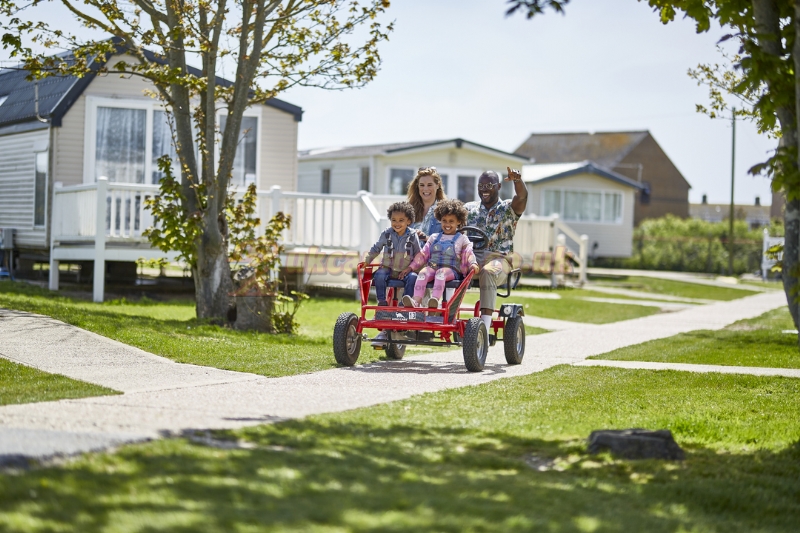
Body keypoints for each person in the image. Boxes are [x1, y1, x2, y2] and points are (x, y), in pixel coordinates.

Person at [464, 167, 528, 334]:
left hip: (500, 259)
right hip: (472, 257)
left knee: (489, 271)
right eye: (481, 186)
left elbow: (522, 197)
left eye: (489, 185)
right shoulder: (468, 209)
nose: (484, 190)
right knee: (444, 267)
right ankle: (442, 316)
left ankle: (483, 329)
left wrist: (517, 181)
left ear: (499, 186)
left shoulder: (508, 208)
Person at [400, 199, 479, 309]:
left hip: (451, 268)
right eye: (444, 220)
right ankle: (416, 301)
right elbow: (423, 255)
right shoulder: (434, 237)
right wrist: (411, 267)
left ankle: (435, 301)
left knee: (441, 273)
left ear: (459, 222)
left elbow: (469, 253)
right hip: (433, 265)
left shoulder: (462, 239)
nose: (447, 224)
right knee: (423, 273)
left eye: (451, 221)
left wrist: (473, 263)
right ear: (440, 220)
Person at [364, 201, 421, 348]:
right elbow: (376, 248)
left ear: (408, 221)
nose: (397, 223)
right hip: (389, 267)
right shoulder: (387, 234)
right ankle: (382, 302)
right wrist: (368, 260)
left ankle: (404, 305)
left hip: (406, 270)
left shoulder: (413, 235)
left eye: (401, 220)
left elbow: (419, 255)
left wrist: (411, 269)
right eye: (394, 220)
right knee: (379, 275)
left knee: (414, 278)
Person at [407, 166, 446, 240]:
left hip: (434, 251)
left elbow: (451, 240)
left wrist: (426, 238)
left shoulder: (446, 211)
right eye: (422, 185)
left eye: (429, 185)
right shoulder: (408, 210)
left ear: (437, 185)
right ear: (417, 186)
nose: (425, 189)